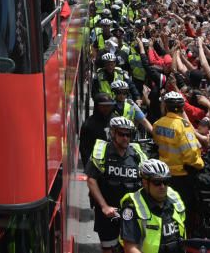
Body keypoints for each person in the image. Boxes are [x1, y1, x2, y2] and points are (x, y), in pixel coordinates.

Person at [87, 116, 148, 253]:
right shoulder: (101, 153)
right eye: (122, 134)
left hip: (131, 213)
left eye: (129, 134)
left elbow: (146, 181)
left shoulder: (137, 154)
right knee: (109, 249)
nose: (126, 138)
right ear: (113, 133)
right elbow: (91, 180)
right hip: (108, 214)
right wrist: (104, 207)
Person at [152, 91, 203, 236]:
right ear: (182, 108)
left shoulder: (157, 124)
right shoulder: (183, 126)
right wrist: (200, 165)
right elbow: (191, 155)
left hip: (163, 174)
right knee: (183, 211)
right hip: (182, 177)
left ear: (166, 107)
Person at [119, 159, 186, 253]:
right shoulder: (132, 207)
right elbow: (130, 248)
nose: (162, 186)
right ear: (145, 183)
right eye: (157, 182)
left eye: (166, 181)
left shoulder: (174, 197)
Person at [81, 93, 117, 169]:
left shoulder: (116, 121)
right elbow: (84, 150)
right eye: (103, 106)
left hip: (115, 165)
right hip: (96, 166)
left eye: (109, 106)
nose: (106, 108)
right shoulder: (88, 125)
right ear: (97, 106)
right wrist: (89, 168)